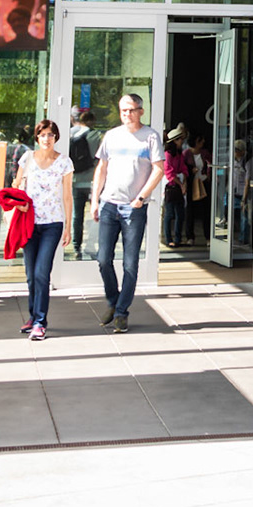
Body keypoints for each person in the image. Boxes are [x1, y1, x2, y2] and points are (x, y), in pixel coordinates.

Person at [89, 94, 163, 334]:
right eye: (123, 110)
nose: (127, 115)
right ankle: (113, 301)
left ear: (141, 111)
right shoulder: (111, 136)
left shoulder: (150, 136)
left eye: (131, 110)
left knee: (130, 263)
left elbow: (159, 169)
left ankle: (121, 312)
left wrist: (141, 197)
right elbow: (101, 168)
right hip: (109, 204)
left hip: (134, 208)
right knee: (103, 259)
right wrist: (95, 199)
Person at [11, 119, 71, 340]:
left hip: (52, 224)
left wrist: (68, 226)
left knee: (41, 273)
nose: (47, 139)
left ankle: (40, 322)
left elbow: (67, 196)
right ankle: (33, 316)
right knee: (30, 275)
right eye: (43, 134)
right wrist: (19, 203)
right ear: (37, 137)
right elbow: (16, 186)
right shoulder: (27, 158)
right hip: (29, 223)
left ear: (56, 137)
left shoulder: (64, 162)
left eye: (51, 135)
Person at [68, 111, 99, 261]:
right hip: (92, 180)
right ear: (91, 121)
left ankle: (76, 247)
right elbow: (99, 158)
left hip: (75, 180)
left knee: (77, 216)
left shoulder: (71, 133)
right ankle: (91, 244)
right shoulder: (95, 135)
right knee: (95, 214)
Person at [162, 129, 188, 247]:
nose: (182, 141)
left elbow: (183, 168)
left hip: (178, 185)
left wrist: (184, 181)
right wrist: (181, 183)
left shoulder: (179, 154)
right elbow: (169, 172)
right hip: (171, 187)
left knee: (180, 214)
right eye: (180, 139)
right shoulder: (167, 155)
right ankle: (169, 239)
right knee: (169, 214)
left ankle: (178, 238)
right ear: (175, 141)